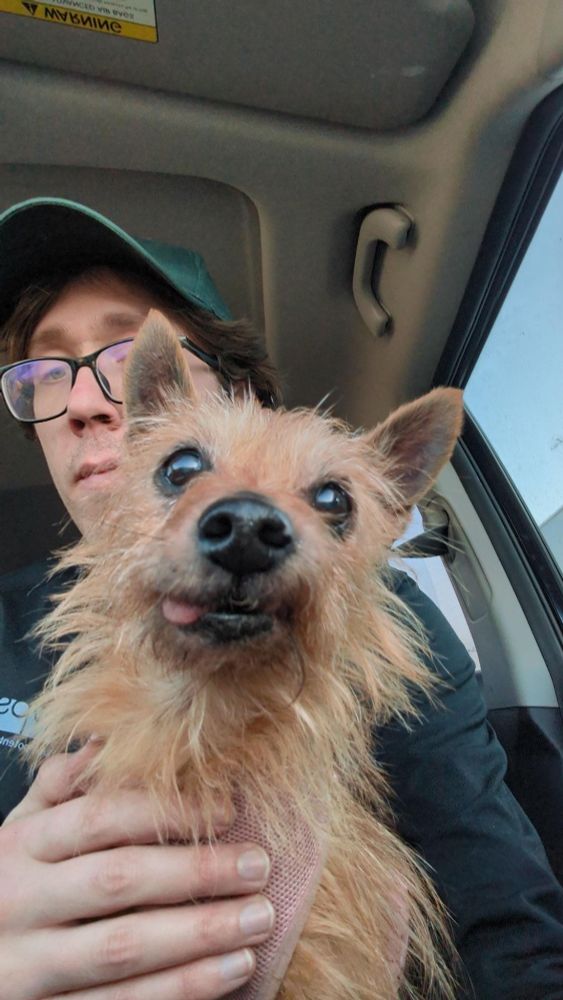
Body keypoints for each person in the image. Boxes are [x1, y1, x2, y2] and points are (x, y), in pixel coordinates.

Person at [0, 197, 562, 1000]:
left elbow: (508, 922)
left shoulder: (386, 632)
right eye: (43, 372)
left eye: (126, 359)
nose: (89, 401)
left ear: (246, 395)